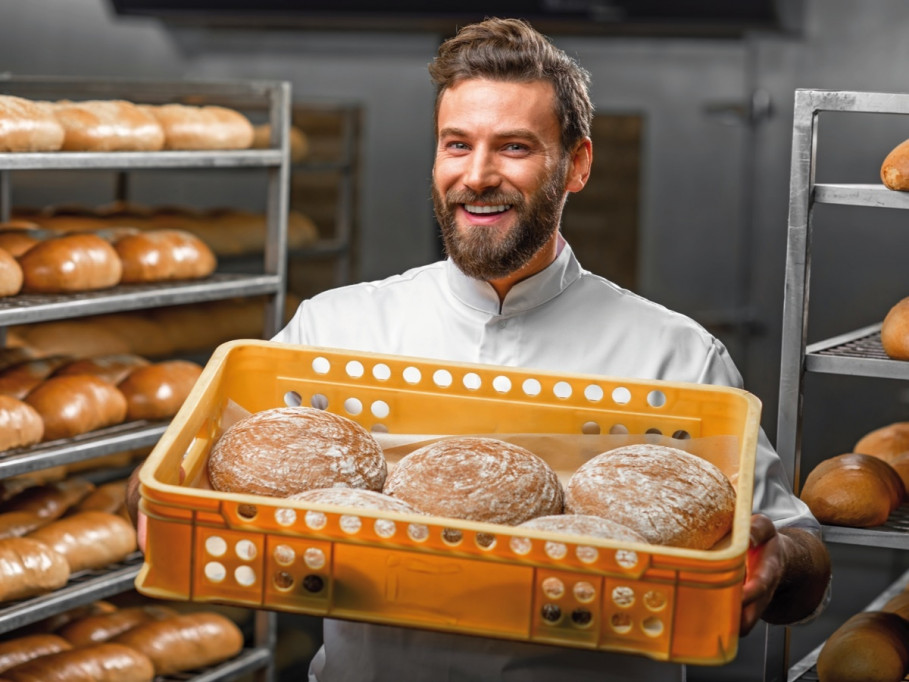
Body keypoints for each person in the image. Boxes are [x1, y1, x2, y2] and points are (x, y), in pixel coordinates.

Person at [268, 17, 831, 682]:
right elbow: (182, 485)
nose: (476, 175)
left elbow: (802, 562)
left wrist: (777, 563)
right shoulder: (332, 329)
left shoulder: (674, 355)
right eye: (456, 145)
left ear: (578, 165)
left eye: (512, 148)